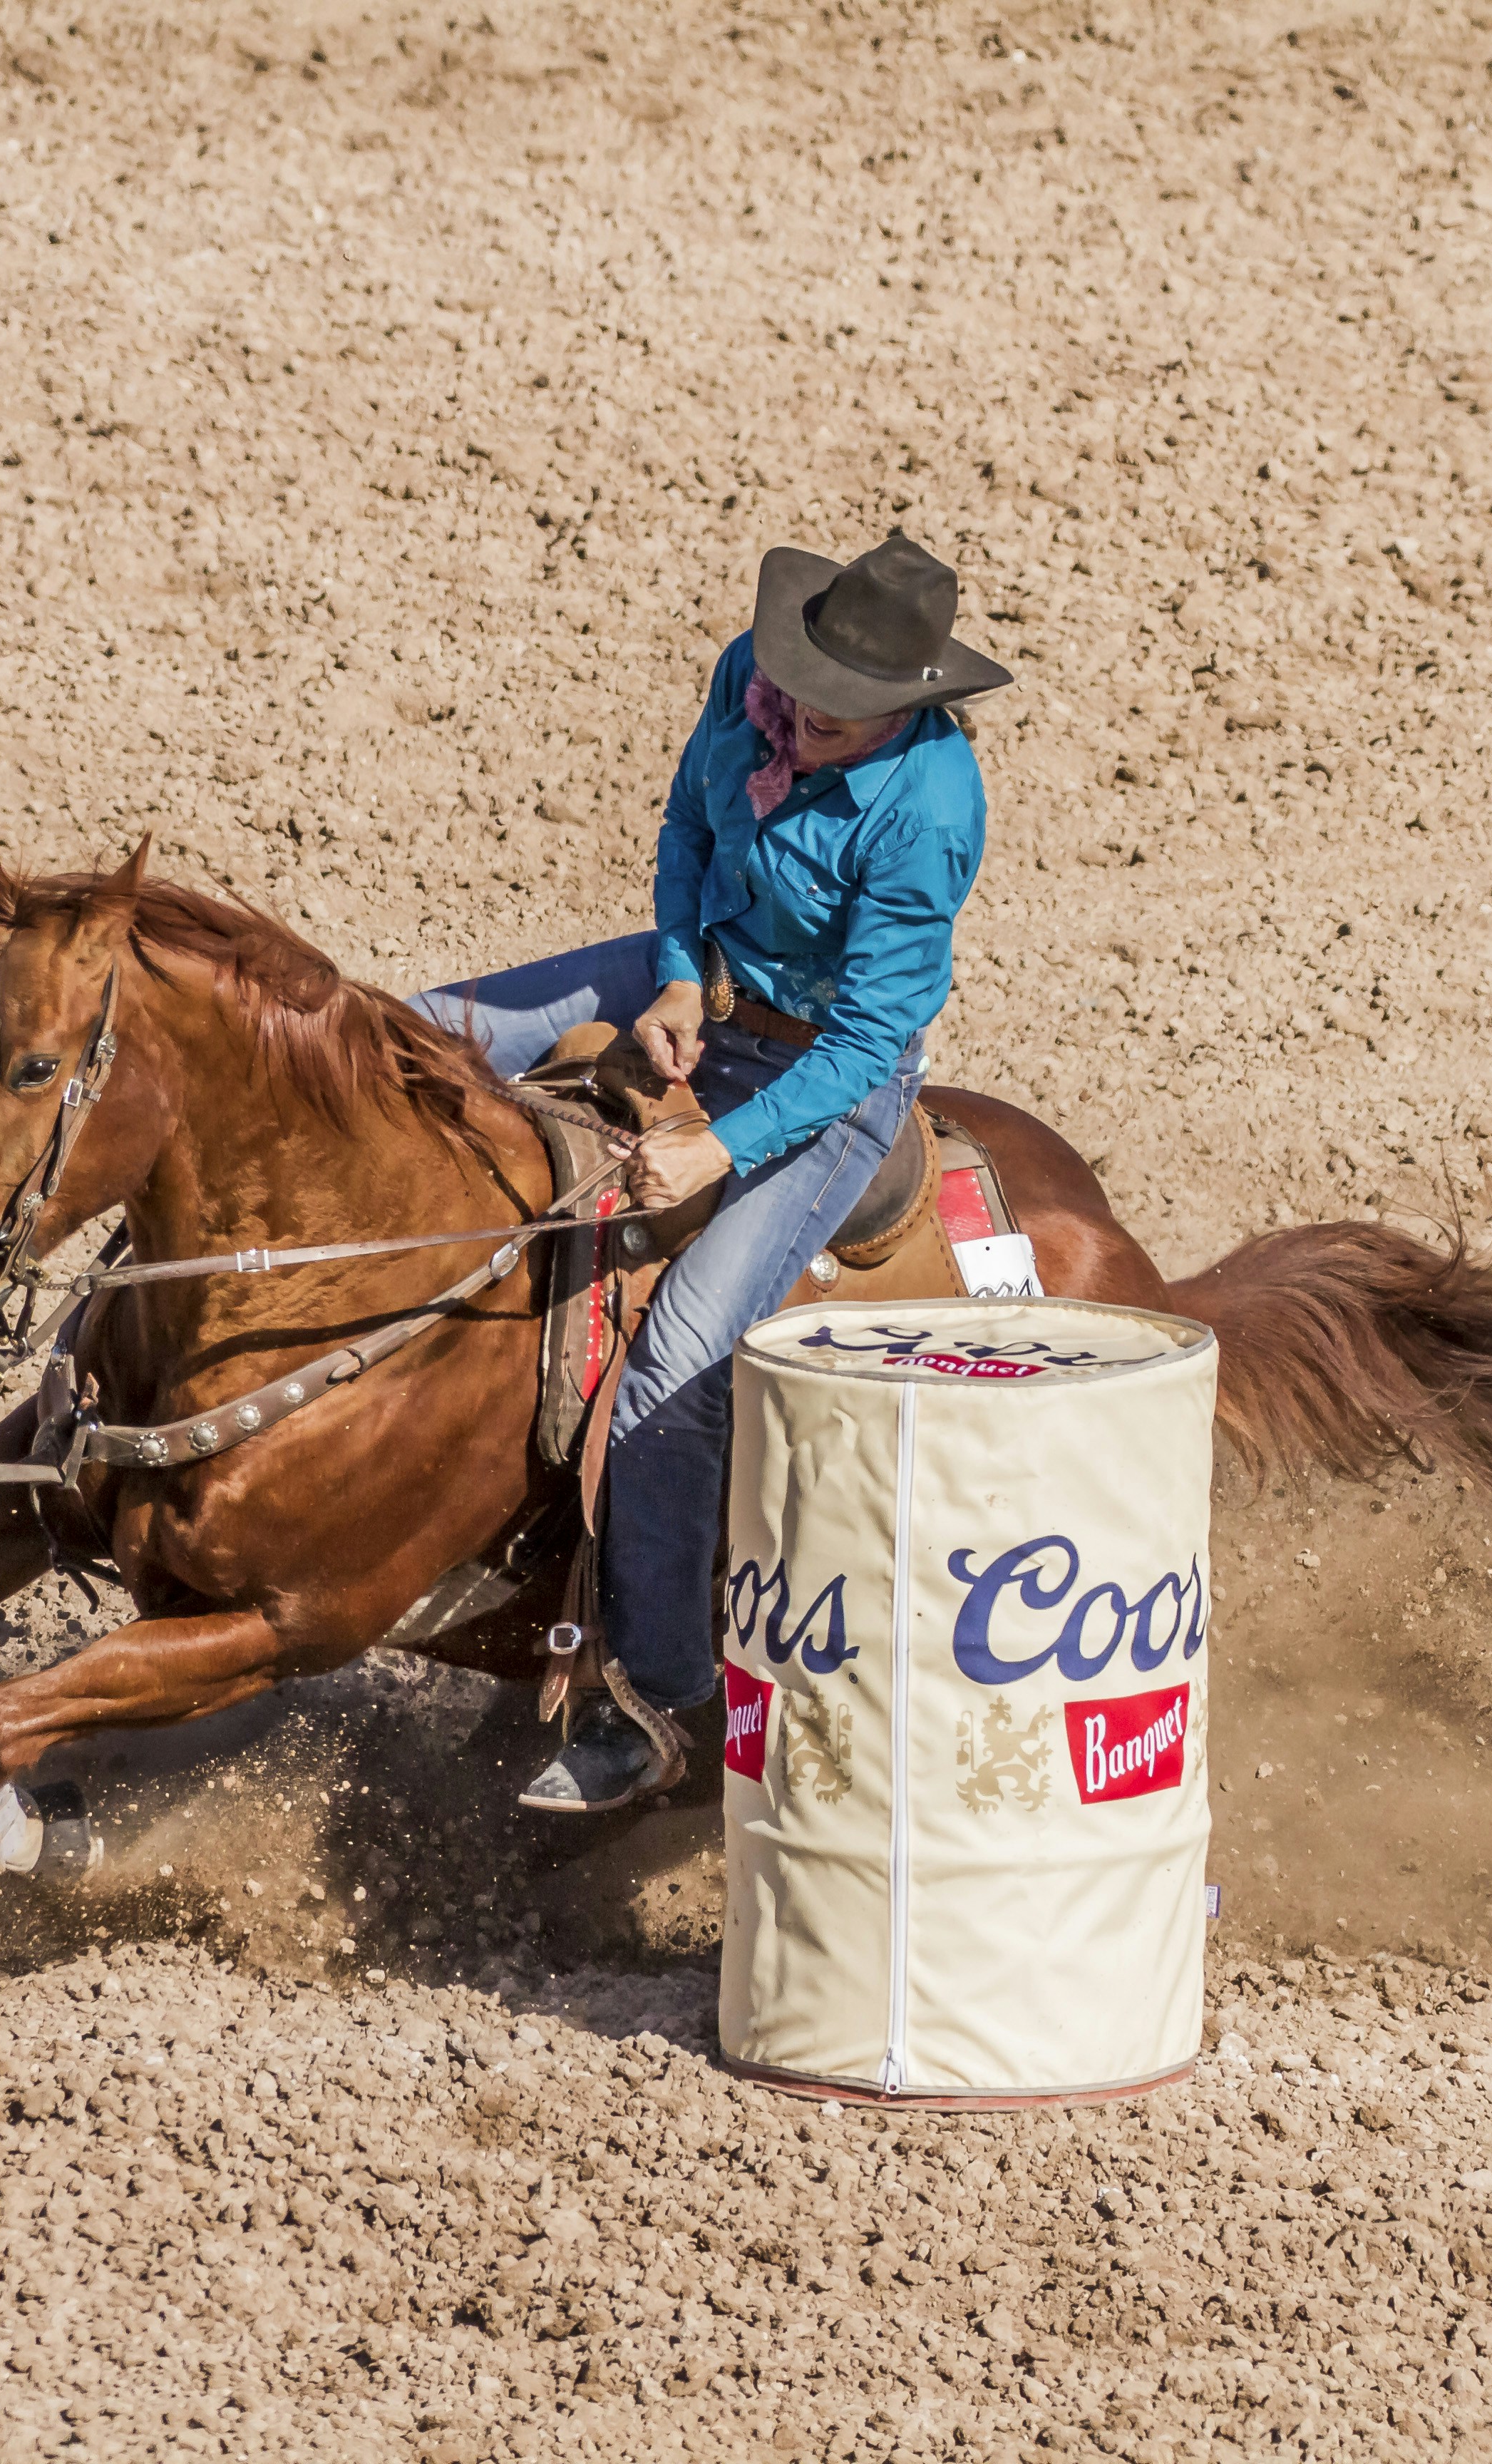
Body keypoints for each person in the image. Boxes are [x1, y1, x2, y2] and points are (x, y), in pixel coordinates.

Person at [420, 531, 1010, 1811]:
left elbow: (865, 1039)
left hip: (822, 1080)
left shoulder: (927, 812)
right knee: (417, 1033)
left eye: (834, 711)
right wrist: (683, 969)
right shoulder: (752, 673)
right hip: (708, 982)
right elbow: (690, 825)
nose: (796, 712)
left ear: (901, 710)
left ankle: (656, 1701)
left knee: (671, 1375)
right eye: (796, 682)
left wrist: (719, 1146)